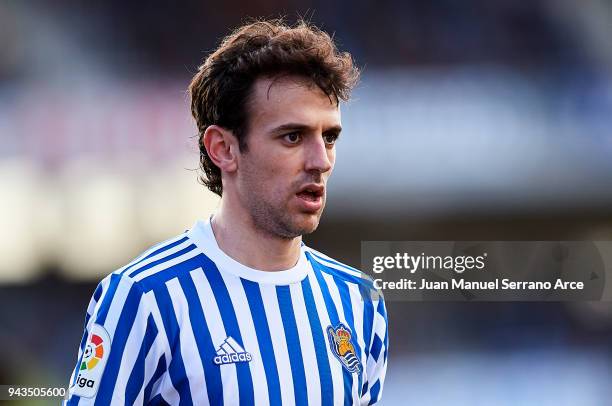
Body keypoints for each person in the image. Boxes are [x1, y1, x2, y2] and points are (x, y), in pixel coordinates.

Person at [64, 18, 388, 405]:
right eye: (292, 136)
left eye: (329, 137)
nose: (320, 161)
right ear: (224, 149)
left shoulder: (358, 299)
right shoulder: (146, 297)